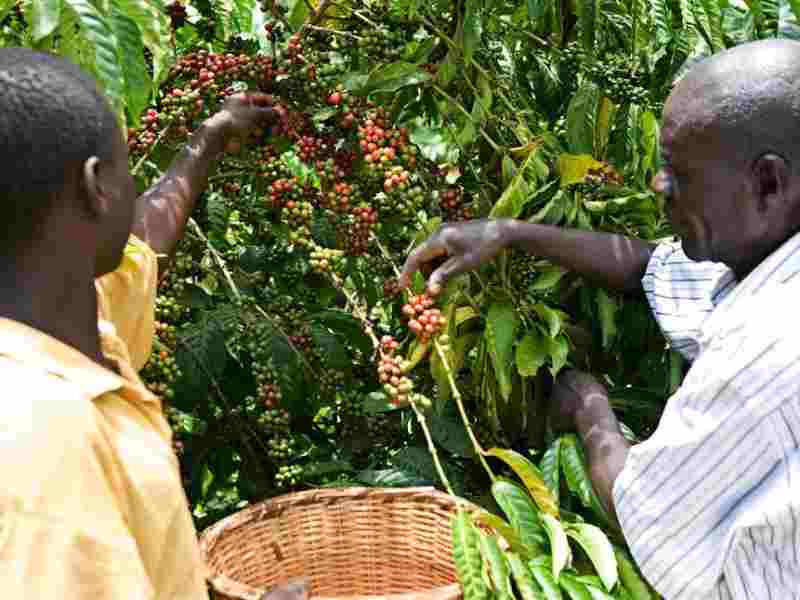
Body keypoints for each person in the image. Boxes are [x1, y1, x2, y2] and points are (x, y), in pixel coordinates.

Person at [401, 38, 800, 599]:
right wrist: (510, 233)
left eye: (679, 172)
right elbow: (651, 268)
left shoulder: (766, 343)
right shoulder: (776, 252)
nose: (658, 186)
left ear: (768, 183)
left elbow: (643, 510)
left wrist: (590, 411)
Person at [0, 48, 300, 599]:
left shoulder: (62, 313)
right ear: (98, 186)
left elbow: (143, 239)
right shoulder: (39, 437)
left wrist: (209, 139)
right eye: (125, 166)